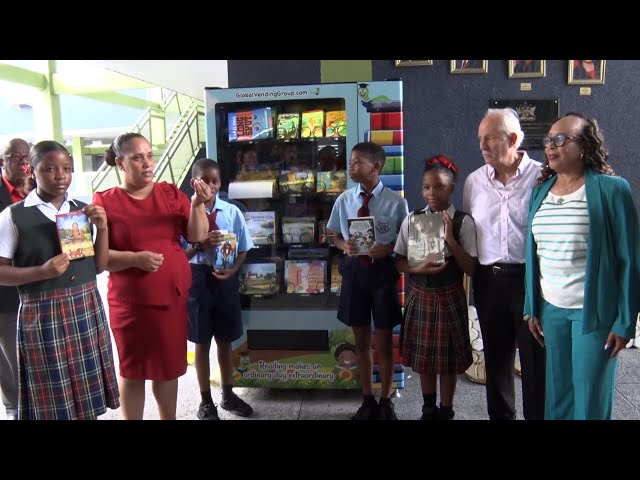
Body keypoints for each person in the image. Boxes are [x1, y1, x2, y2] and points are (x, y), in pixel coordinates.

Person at [524, 112, 640, 420]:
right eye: (548, 140)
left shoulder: (612, 190)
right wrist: (531, 306)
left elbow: (630, 259)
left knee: (589, 398)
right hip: (551, 311)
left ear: (585, 146)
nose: (551, 146)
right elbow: (535, 255)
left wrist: (625, 322)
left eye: (561, 139)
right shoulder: (539, 193)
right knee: (558, 397)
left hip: (595, 313)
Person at [92, 132, 211, 420]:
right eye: (137, 157)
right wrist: (135, 259)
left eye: (149, 155)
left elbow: (197, 235)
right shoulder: (105, 201)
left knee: (167, 369)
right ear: (120, 163)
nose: (146, 163)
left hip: (171, 299)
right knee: (132, 370)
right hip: (130, 304)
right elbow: (100, 259)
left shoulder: (170, 193)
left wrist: (196, 205)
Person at [0, 140, 119, 419]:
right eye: (50, 169)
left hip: (85, 307)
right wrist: (41, 272)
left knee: (86, 393)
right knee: (52, 398)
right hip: (43, 313)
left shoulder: (81, 209)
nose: (60, 175)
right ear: (33, 170)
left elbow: (99, 266)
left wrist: (103, 228)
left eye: (66, 168)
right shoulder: (14, 216)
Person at [463, 108, 546, 420]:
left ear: (512, 139)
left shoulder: (542, 176)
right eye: (480, 139)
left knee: (536, 361)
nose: (482, 145)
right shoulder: (473, 182)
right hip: (490, 281)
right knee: (495, 363)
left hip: (530, 281)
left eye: (489, 139)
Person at [327, 141, 408, 420]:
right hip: (355, 274)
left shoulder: (397, 202)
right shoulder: (344, 200)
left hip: (383, 274)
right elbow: (333, 234)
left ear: (376, 166)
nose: (351, 166)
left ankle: (386, 400)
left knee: (384, 341)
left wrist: (389, 248)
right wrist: (343, 246)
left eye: (358, 162)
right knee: (360, 340)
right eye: (351, 161)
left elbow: (405, 239)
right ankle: (366, 399)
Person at [394, 155, 478, 420]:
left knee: (448, 361)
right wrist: (417, 269)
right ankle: (428, 409)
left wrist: (450, 240)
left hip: (449, 295)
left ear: (451, 187)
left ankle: (446, 410)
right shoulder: (412, 219)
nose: (432, 193)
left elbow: (472, 269)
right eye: (427, 187)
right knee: (425, 360)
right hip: (421, 295)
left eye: (439, 186)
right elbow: (399, 262)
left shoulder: (463, 222)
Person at [181, 158, 254, 420]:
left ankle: (228, 394)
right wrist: (200, 244)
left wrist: (233, 271)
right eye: (205, 180)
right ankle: (205, 400)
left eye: (216, 181)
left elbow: (244, 247)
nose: (211, 186)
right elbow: (180, 254)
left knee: (225, 340)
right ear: (194, 182)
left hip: (225, 279)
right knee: (201, 342)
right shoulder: (184, 212)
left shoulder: (231, 212)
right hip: (197, 280)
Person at [0, 138, 33, 420]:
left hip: (41, 292)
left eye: (27, 155)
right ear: (3, 161)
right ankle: (14, 409)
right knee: (11, 361)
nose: (23, 161)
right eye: (15, 156)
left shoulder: (40, 191)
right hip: (6, 296)